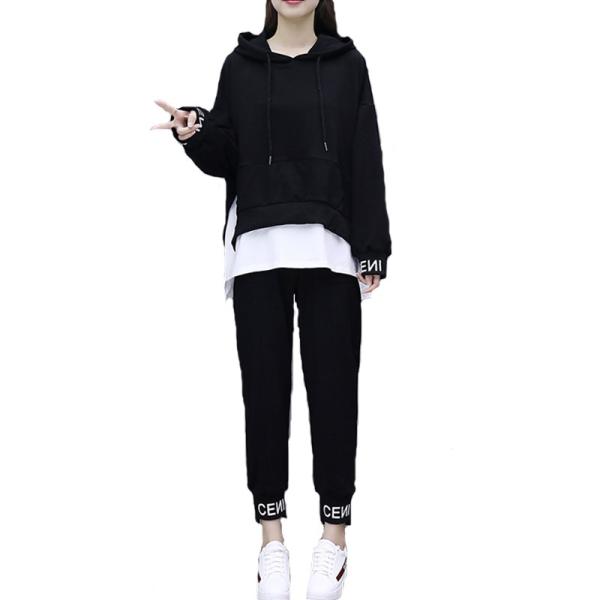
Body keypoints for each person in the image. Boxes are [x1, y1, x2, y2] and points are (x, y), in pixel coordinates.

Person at [151, 1, 391, 598]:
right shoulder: (240, 65)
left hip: (331, 248)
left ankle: (333, 540)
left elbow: (365, 154)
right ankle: (271, 541)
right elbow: (225, 152)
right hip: (257, 249)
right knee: (263, 394)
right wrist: (194, 129)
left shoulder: (349, 64)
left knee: (334, 393)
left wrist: (373, 247)